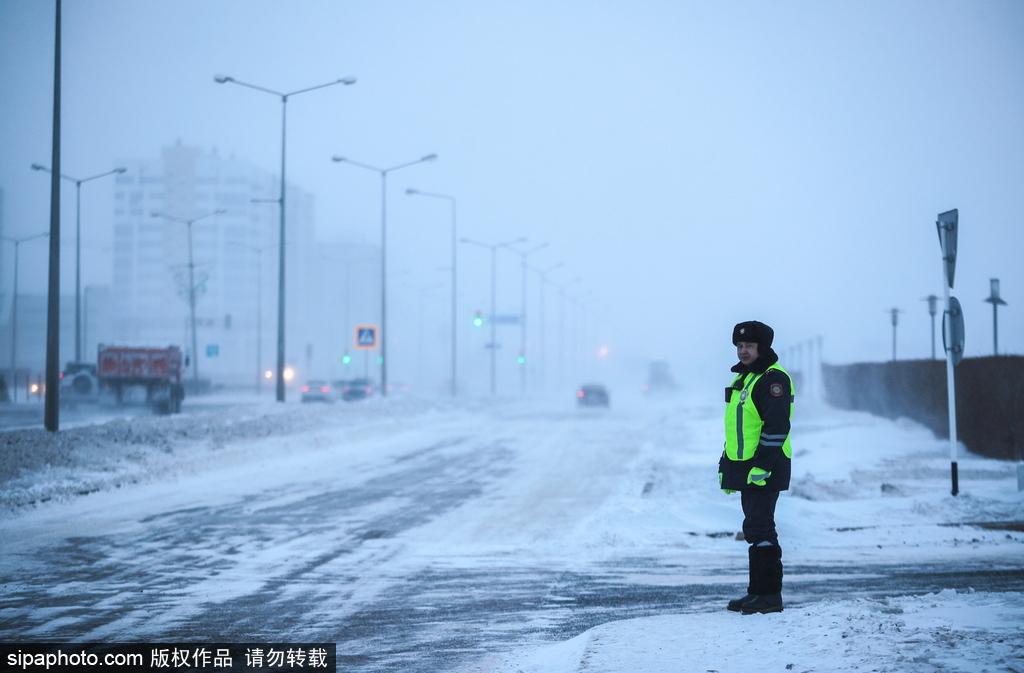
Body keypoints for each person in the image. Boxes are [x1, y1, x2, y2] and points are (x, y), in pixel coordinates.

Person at [718, 320, 793, 614]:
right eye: (739, 346)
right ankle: (757, 592)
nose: (743, 351)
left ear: (762, 347)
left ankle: (770, 596)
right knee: (754, 528)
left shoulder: (773, 379)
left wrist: (762, 466)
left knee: (762, 528)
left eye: (749, 346)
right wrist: (727, 466)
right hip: (746, 467)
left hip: (766, 466)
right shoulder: (745, 379)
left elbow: (776, 427)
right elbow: (738, 428)